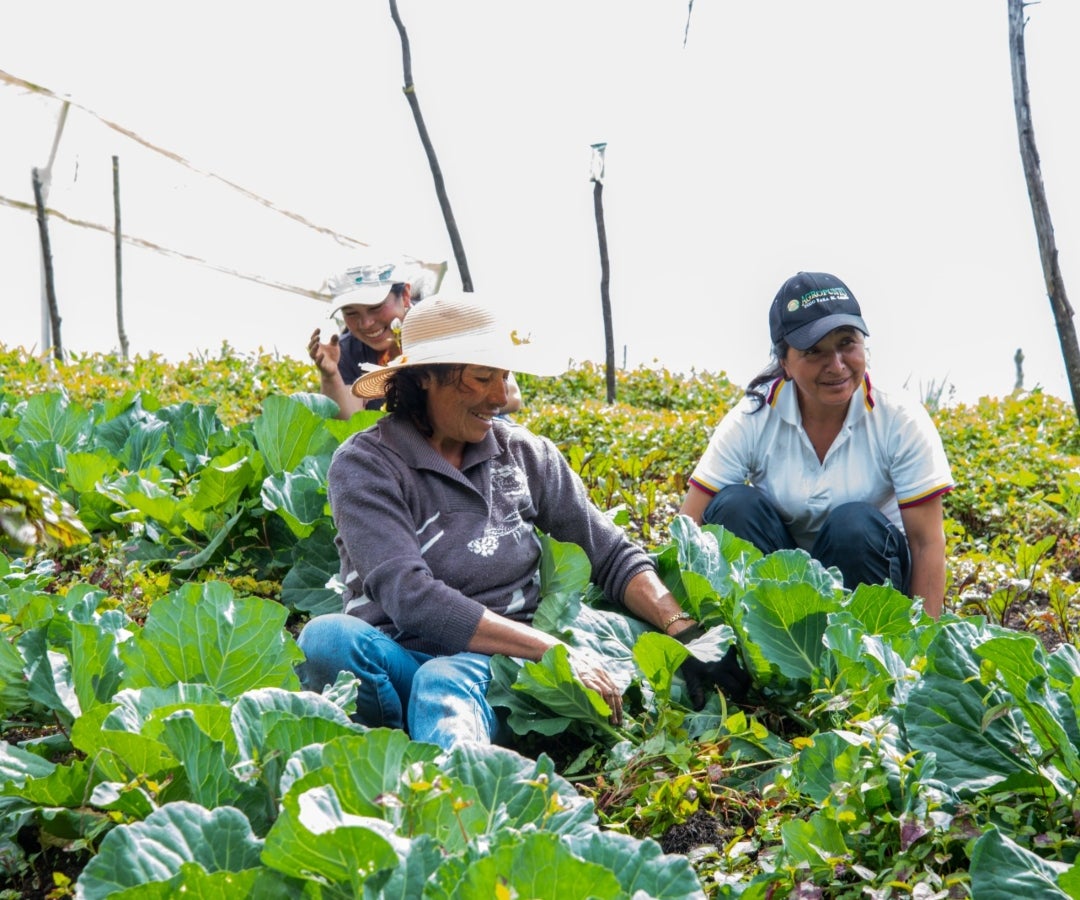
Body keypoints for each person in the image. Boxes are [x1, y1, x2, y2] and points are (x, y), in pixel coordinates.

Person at [297, 292, 746, 749]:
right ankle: (421, 734)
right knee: (327, 638)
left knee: (445, 680)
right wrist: (553, 649)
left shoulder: (524, 454)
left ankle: (446, 790)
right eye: (481, 377)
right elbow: (409, 596)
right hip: (401, 658)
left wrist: (682, 629)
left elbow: (610, 554)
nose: (500, 396)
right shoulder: (365, 465)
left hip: (501, 662)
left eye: (504, 377)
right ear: (425, 378)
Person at [679, 271, 953, 618]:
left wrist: (921, 649)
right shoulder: (754, 416)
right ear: (785, 364)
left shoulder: (899, 418)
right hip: (779, 598)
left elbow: (927, 543)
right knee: (734, 506)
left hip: (868, 584)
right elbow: (688, 526)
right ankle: (754, 645)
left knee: (853, 526)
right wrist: (677, 623)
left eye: (846, 343)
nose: (836, 366)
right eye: (814, 351)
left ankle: (862, 657)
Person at [308, 260, 521, 419]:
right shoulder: (347, 349)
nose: (365, 324)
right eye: (351, 313)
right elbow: (350, 421)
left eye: (375, 307)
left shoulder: (447, 324)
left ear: (406, 295)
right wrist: (330, 374)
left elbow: (511, 397)